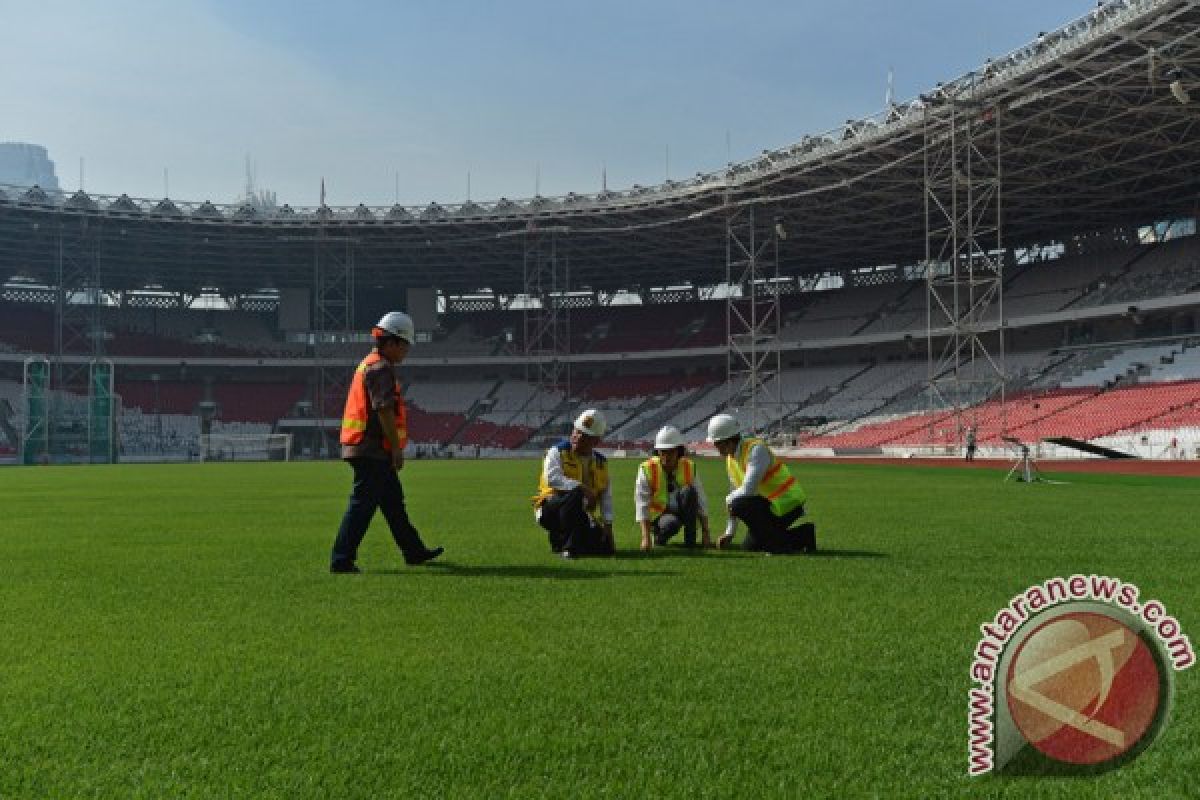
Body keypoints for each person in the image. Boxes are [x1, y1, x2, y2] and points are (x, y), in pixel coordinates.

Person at [329, 311, 444, 573]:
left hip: (364, 446)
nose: (406, 352)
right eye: (405, 346)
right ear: (391, 343)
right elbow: (384, 410)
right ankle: (341, 560)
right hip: (372, 449)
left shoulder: (369, 363)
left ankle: (414, 551)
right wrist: (395, 448)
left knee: (393, 503)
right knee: (362, 506)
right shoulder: (381, 369)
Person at [707, 413, 816, 554]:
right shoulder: (731, 460)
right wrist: (729, 533)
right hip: (770, 504)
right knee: (750, 546)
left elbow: (747, 491)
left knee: (738, 504)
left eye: (717, 444)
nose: (716, 448)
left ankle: (779, 548)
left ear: (729, 441)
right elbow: (735, 494)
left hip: (788, 502)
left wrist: (728, 499)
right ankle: (804, 534)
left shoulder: (756, 450)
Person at [532, 409, 615, 558]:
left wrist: (608, 527)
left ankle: (559, 540)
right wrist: (582, 487)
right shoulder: (556, 452)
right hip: (550, 510)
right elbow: (552, 478)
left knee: (604, 548)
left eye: (584, 435)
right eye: (576, 431)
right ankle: (569, 549)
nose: (577, 437)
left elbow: (605, 497)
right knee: (575, 493)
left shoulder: (601, 463)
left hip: (580, 512)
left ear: (596, 440)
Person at [635, 425, 713, 551]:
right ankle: (659, 538)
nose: (666, 456)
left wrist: (706, 532)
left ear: (679, 451)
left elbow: (701, 499)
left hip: (682, 510)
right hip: (659, 515)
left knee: (689, 491)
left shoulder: (689, 466)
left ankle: (691, 542)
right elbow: (641, 503)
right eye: (663, 452)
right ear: (657, 452)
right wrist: (645, 537)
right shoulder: (647, 468)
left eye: (671, 452)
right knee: (670, 524)